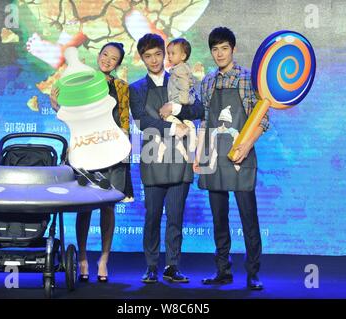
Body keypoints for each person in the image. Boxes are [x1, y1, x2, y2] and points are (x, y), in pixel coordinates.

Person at [194, 27, 269, 290]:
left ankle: (253, 273)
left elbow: (263, 120)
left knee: (249, 219)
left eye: (224, 48)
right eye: (215, 49)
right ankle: (223, 270)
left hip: (240, 157)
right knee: (219, 218)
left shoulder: (248, 79)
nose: (219, 54)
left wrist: (246, 146)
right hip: (214, 158)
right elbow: (204, 120)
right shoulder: (207, 82)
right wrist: (198, 154)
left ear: (233, 50)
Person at [50, 42, 132, 283]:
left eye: (113, 58)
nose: (107, 60)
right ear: (98, 56)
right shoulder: (79, 80)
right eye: (104, 54)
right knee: (84, 206)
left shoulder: (121, 87)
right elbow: (69, 116)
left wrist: (121, 147)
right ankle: (83, 258)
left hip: (112, 153)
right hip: (85, 152)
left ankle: (104, 259)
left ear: (118, 63)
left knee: (108, 207)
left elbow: (125, 121)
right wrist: (56, 105)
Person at [129, 33, 203, 283]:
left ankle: (172, 266)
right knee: (151, 217)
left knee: (175, 216)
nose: (154, 60)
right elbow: (141, 120)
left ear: (165, 54)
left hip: (180, 158)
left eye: (158, 54)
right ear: (142, 58)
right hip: (153, 159)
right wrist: (172, 127)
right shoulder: (136, 89)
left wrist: (177, 109)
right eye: (148, 56)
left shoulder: (180, 79)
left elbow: (199, 109)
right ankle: (151, 266)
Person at [166, 38, 196, 107]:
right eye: (168, 53)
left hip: (180, 101)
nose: (169, 56)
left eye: (173, 53)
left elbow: (185, 84)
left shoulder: (180, 70)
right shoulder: (181, 68)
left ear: (183, 56)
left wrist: (183, 100)